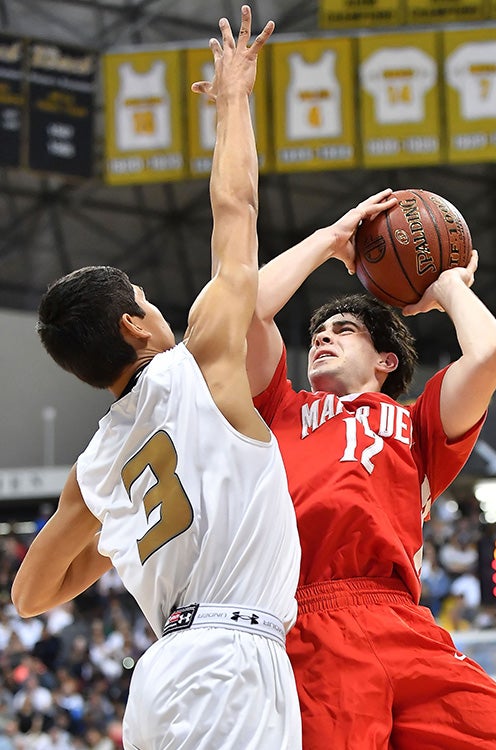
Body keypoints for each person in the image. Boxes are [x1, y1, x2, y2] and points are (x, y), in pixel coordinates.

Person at [11, 7, 302, 749]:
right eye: (143, 299)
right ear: (135, 328)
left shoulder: (97, 467)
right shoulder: (201, 362)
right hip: (230, 663)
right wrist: (235, 99)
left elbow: (30, 592)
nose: (154, 305)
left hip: (164, 674)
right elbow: (235, 208)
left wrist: (121, 531)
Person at [246, 192, 496, 749]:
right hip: (308, 618)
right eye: (318, 334)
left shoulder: (418, 424)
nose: (322, 338)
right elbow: (247, 308)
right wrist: (331, 240)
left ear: (386, 360)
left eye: (342, 330)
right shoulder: (279, 410)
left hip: (401, 618)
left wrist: (448, 288)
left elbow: (489, 354)